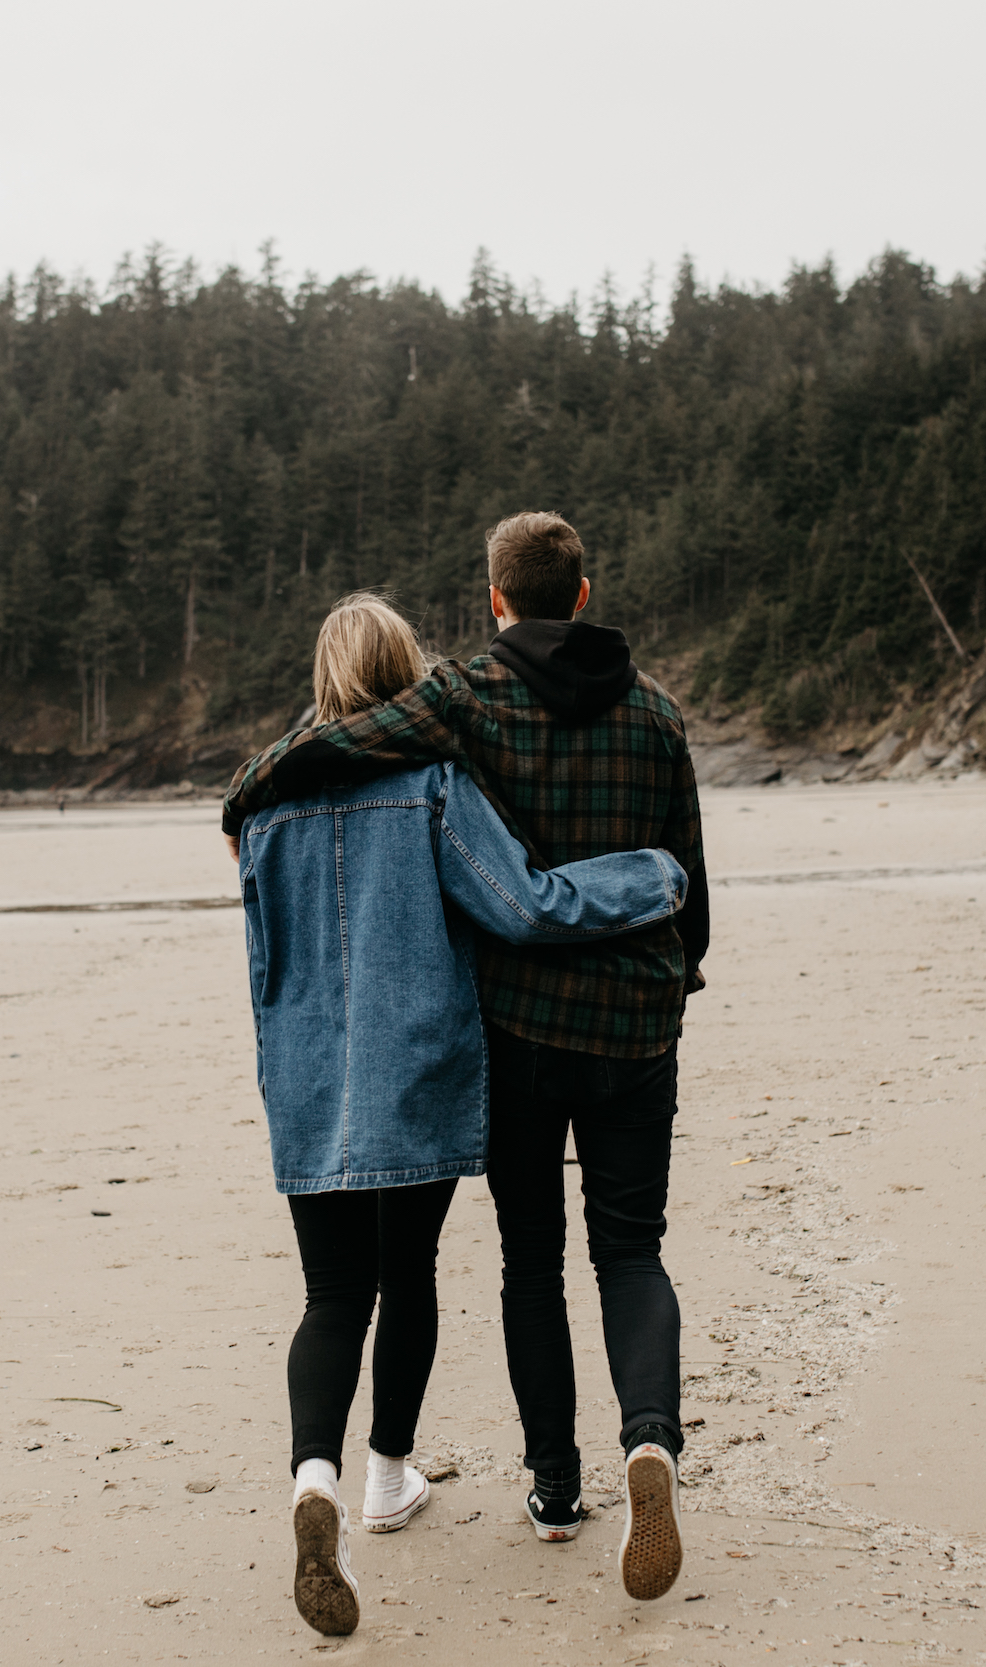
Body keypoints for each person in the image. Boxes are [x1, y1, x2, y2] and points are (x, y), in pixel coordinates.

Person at [223, 513, 707, 1604]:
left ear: (496, 601)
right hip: (497, 1048)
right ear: (583, 590)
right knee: (517, 1264)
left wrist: (249, 782)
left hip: (358, 1065)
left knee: (360, 1290)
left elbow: (268, 959)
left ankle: (343, 1479)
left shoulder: (301, 792)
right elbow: (526, 899)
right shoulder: (475, 767)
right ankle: (459, 1466)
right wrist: (663, 896)